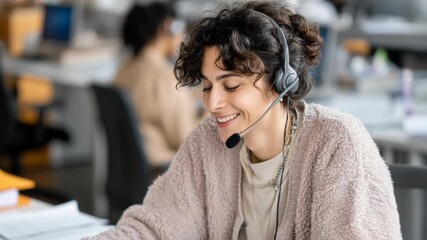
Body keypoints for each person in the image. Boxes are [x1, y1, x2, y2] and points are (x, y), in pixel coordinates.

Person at [85, 1, 402, 239]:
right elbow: (152, 228)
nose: (212, 102)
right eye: (207, 86)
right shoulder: (207, 142)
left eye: (231, 85)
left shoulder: (335, 142)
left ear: (281, 81)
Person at [113, 1, 204, 168]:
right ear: (168, 26)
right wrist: (211, 110)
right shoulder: (163, 78)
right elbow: (188, 139)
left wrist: (192, 95)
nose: (183, 35)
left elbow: (150, 101)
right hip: (162, 169)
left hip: (130, 167)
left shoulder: (125, 68)